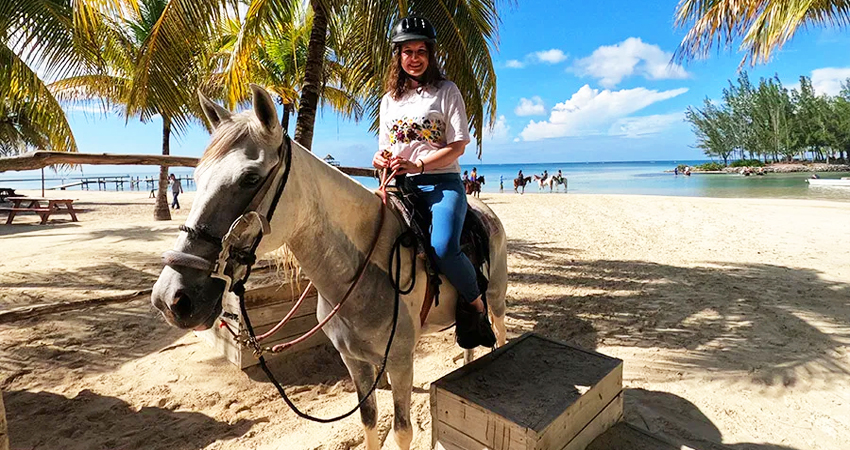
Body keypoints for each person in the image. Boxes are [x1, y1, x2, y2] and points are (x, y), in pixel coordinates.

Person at [371, 16, 496, 349]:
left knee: (443, 247)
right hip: (400, 186)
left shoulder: (447, 91)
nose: (414, 58)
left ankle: (475, 303)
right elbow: (385, 146)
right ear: (398, 56)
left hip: (441, 184)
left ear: (430, 54)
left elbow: (458, 145)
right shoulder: (389, 100)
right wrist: (379, 159)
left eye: (421, 51)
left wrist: (419, 163)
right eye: (407, 51)